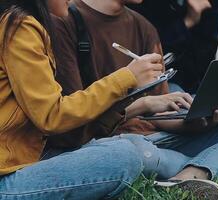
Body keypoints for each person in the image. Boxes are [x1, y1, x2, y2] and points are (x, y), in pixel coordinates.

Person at [50, 0, 218, 199]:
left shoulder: (144, 26)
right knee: (130, 154)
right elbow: (72, 122)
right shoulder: (65, 22)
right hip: (111, 143)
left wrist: (194, 122)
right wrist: (141, 105)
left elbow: (158, 111)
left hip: (155, 138)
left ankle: (185, 177)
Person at [0, 0, 166, 199]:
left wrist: (124, 107)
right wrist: (126, 77)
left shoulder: (22, 22)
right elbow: (52, 116)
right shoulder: (20, 26)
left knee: (123, 147)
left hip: (29, 159)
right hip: (7, 178)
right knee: (123, 156)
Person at [130, 0, 218, 93]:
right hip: (156, 80)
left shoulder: (211, 4)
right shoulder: (141, 5)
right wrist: (188, 21)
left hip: (195, 80)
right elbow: (150, 51)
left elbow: (205, 59)